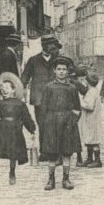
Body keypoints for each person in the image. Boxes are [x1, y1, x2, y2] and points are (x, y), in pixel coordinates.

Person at [22, 34, 73, 156]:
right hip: (39, 99)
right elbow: (24, 77)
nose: (54, 48)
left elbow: (71, 73)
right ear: (44, 45)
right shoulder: (33, 60)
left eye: (55, 46)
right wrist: (16, 88)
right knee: (43, 125)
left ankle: (58, 151)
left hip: (58, 98)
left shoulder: (59, 60)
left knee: (58, 125)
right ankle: (45, 152)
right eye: (51, 45)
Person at [0, 73, 36, 187]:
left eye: (7, 88)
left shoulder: (20, 104)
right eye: (3, 89)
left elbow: (26, 118)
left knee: (13, 154)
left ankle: (12, 173)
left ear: (13, 90)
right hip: (0, 130)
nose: (4, 90)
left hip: (15, 131)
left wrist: (32, 129)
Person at [39, 57, 81, 190]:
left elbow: (77, 108)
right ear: (54, 71)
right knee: (51, 153)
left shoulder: (72, 88)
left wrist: (72, 121)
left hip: (68, 122)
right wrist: (45, 125)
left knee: (67, 152)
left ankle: (66, 178)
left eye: (64, 69)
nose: (61, 72)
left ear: (67, 71)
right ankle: (51, 179)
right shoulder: (48, 87)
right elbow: (43, 108)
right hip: (52, 122)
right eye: (59, 69)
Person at [79, 73, 103, 168]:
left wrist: (80, 102)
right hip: (89, 119)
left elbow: (90, 106)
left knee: (94, 140)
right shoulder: (92, 91)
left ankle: (97, 160)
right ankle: (89, 159)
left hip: (92, 119)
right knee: (89, 139)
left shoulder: (92, 92)